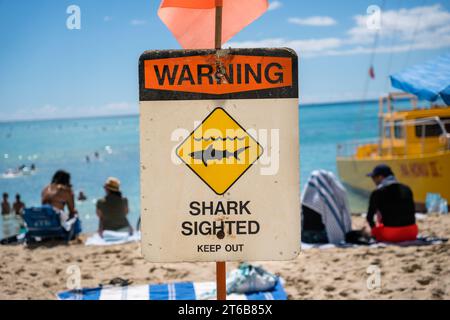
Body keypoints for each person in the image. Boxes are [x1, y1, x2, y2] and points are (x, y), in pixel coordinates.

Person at [366, 164, 418, 242]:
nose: (373, 180)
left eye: (374, 178)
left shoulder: (377, 192)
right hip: (412, 232)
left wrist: (374, 230)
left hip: (391, 234)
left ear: (380, 177)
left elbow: (369, 217)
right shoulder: (407, 188)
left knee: (375, 230)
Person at [301, 170, 352, 244]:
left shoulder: (305, 198)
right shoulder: (324, 200)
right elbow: (332, 220)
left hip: (304, 236)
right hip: (317, 236)